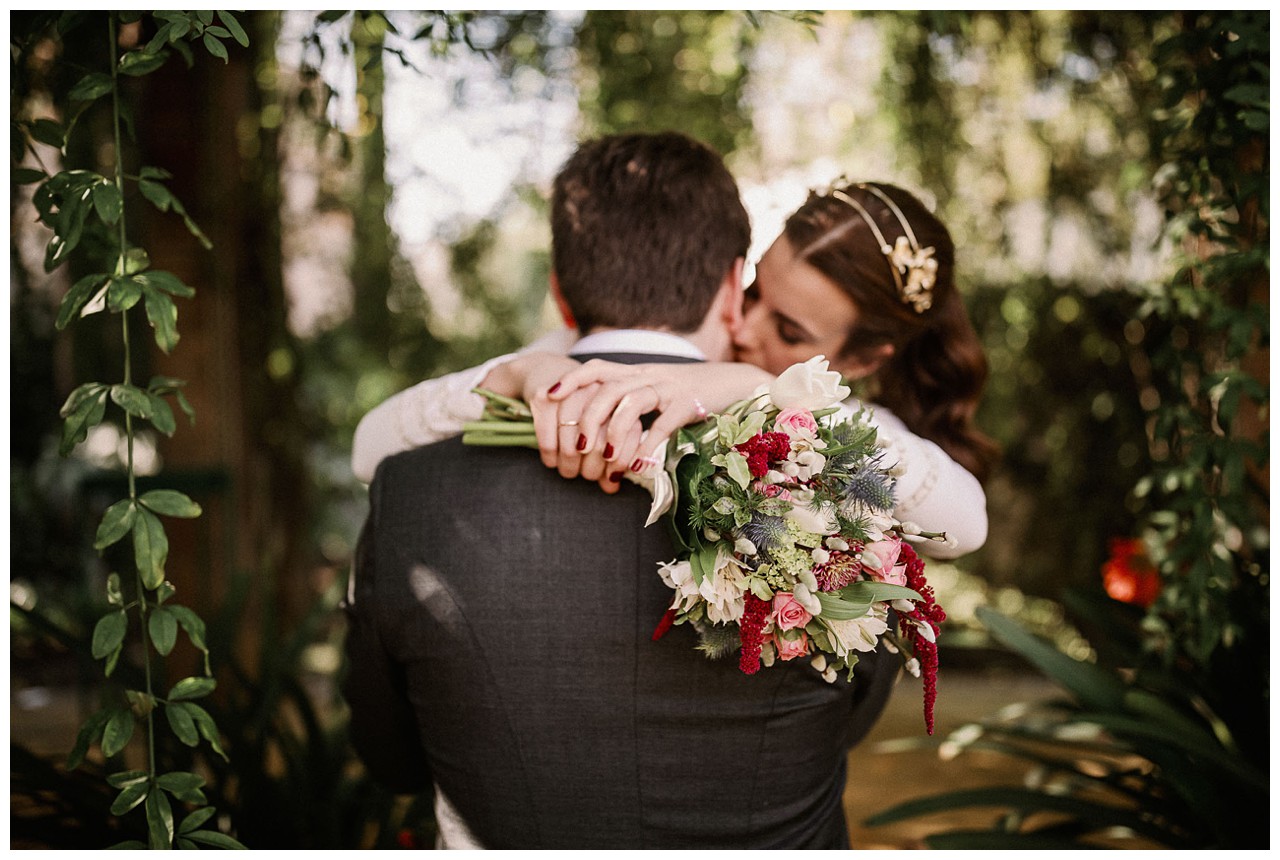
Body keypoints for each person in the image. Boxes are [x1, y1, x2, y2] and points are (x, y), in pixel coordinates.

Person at [343, 132, 901, 849]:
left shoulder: (411, 494)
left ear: (558, 289)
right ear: (734, 288)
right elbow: (850, 713)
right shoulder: (840, 479)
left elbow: (388, 758)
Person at [351, 181, 994, 558]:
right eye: (750, 294)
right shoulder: (590, 350)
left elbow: (965, 525)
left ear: (860, 360)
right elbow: (370, 447)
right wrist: (519, 372)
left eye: (788, 331)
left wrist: (765, 393)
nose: (741, 327)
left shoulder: (850, 437)